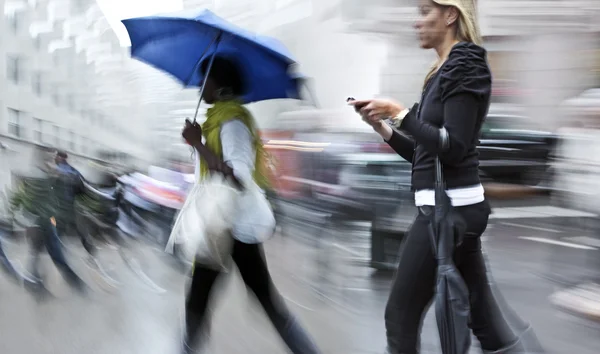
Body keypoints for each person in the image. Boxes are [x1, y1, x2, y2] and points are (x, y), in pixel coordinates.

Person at [350, 1, 523, 353]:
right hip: (452, 209)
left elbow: (454, 147)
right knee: (485, 321)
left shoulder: (466, 64)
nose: (417, 23)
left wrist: (401, 113)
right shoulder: (442, 71)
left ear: (450, 15)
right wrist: (383, 127)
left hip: (449, 214)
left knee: (399, 316)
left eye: (425, 12)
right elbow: (426, 156)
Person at [179, 57, 321, 354]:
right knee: (245, 299)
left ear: (218, 84)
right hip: (224, 223)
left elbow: (239, 175)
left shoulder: (232, 123)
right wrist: (200, 142)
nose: (200, 87)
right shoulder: (218, 120)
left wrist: (199, 144)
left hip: (233, 225)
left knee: (204, 300)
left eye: (205, 79)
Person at [10, 145, 86, 295]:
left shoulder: (44, 174)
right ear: (43, 159)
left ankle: (36, 288)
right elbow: (38, 201)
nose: (54, 160)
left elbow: (21, 198)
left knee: (36, 255)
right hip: (45, 223)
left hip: (38, 223)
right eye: (50, 158)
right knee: (57, 257)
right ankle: (80, 289)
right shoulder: (43, 177)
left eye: (54, 157)